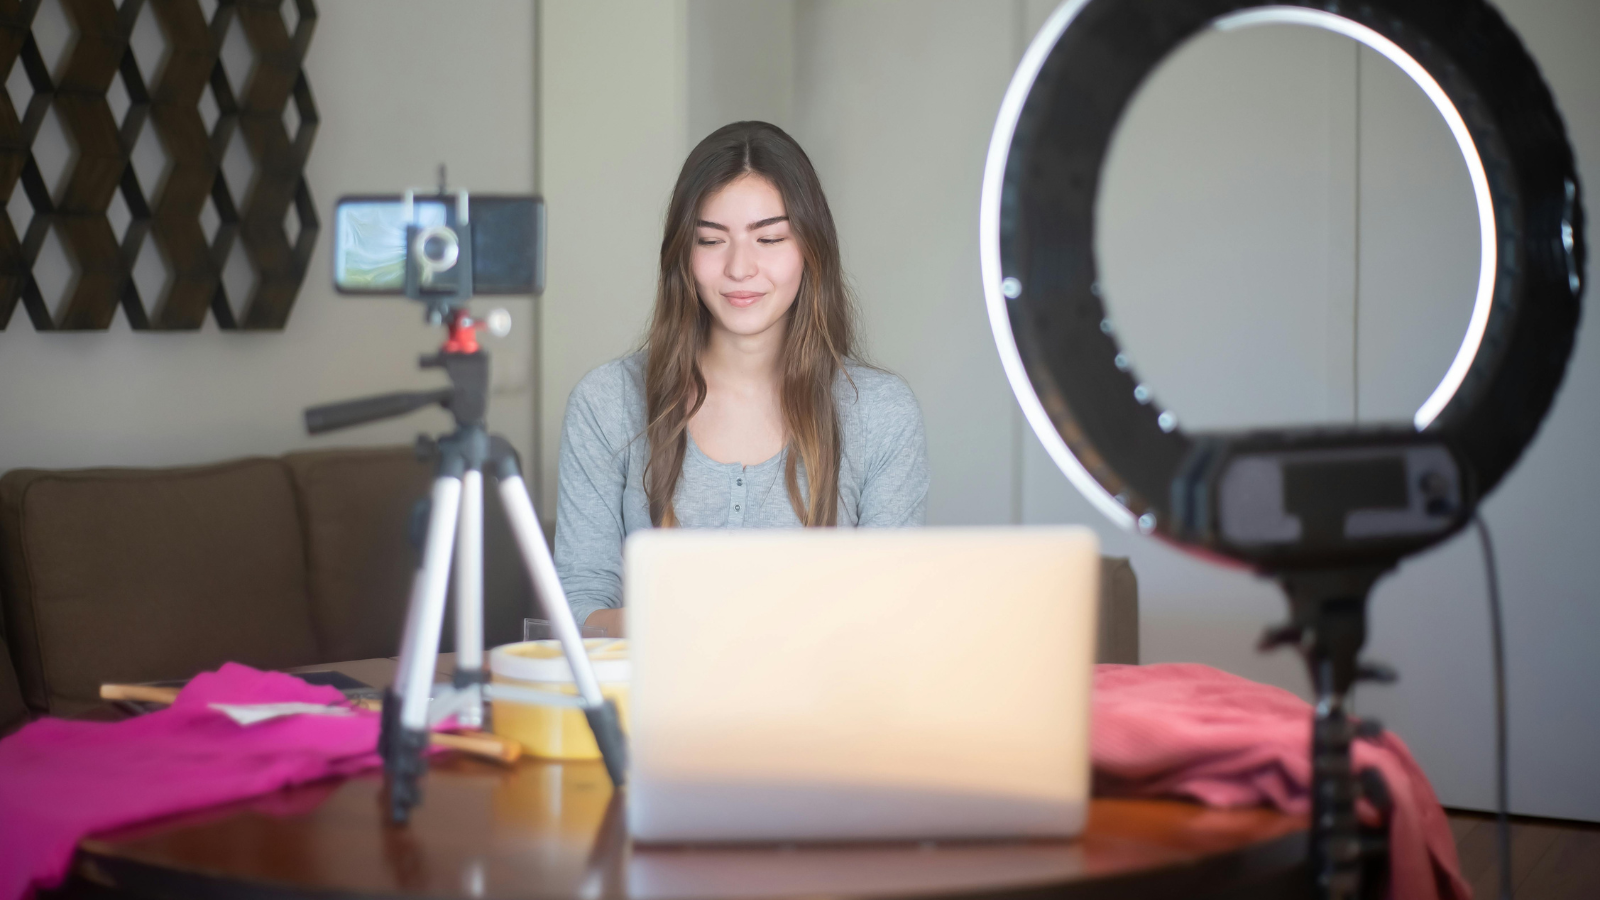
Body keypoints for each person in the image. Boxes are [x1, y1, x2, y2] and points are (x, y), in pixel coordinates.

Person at [553, 121, 929, 636]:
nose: (739, 267)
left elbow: (891, 616)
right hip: (652, 711)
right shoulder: (606, 402)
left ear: (810, 250)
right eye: (711, 240)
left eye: (770, 238)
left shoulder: (881, 412)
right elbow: (578, 611)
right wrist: (701, 621)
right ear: (683, 255)